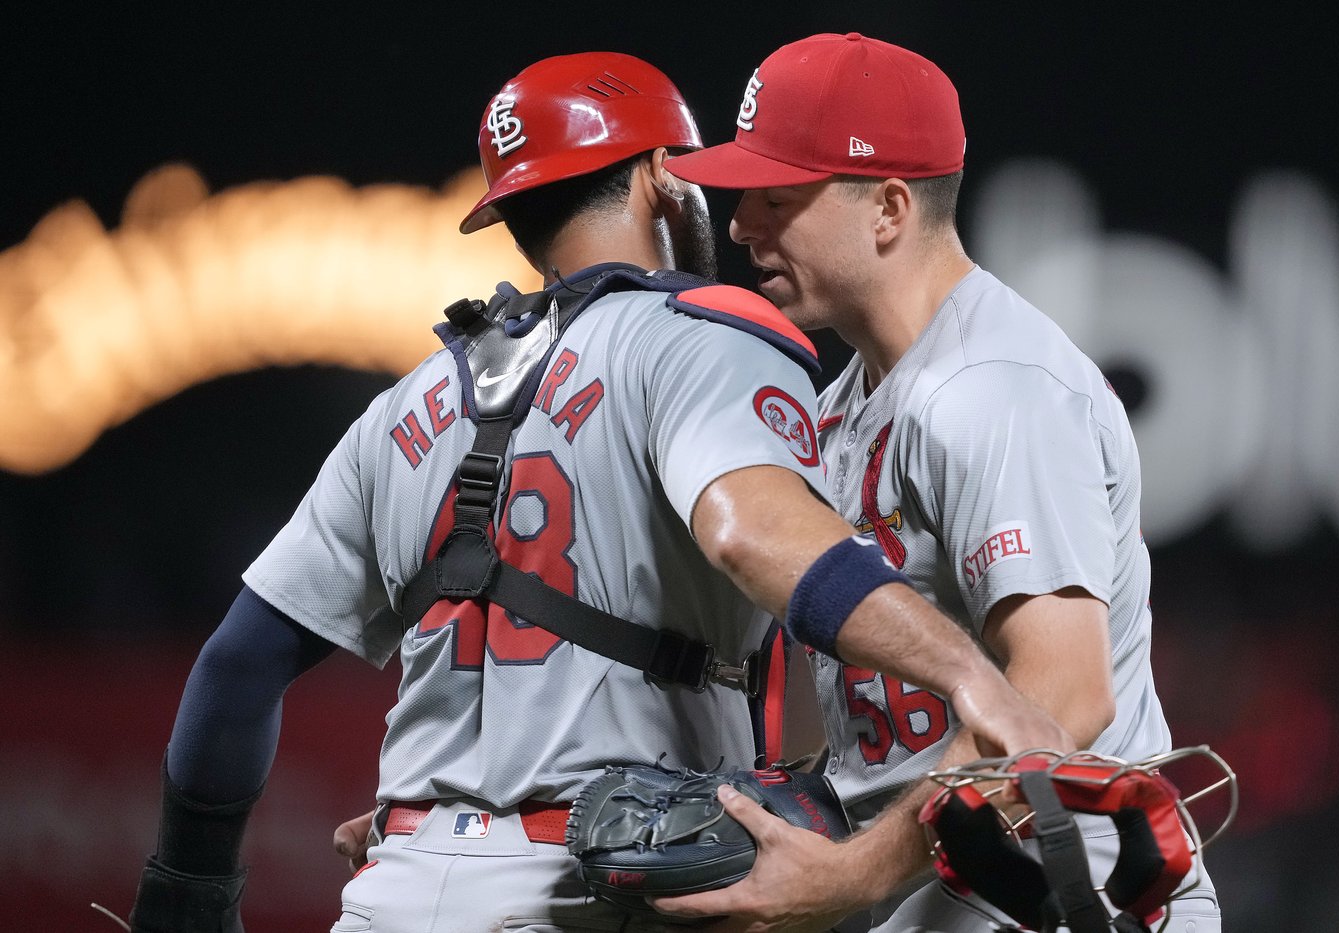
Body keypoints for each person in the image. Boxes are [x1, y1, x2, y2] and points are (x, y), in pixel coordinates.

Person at [125, 49, 1069, 933]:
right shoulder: (699, 339)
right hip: (581, 896)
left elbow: (235, 668)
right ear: (664, 174)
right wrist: (977, 678)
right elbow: (754, 533)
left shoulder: (407, 402)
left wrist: (188, 897)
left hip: (394, 885)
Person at [656, 31, 1222, 933]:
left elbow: (1059, 698)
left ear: (887, 208)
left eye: (779, 195)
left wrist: (848, 878)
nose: (740, 225)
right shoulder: (850, 400)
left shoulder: (997, 390)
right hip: (953, 901)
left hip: (1071, 902)